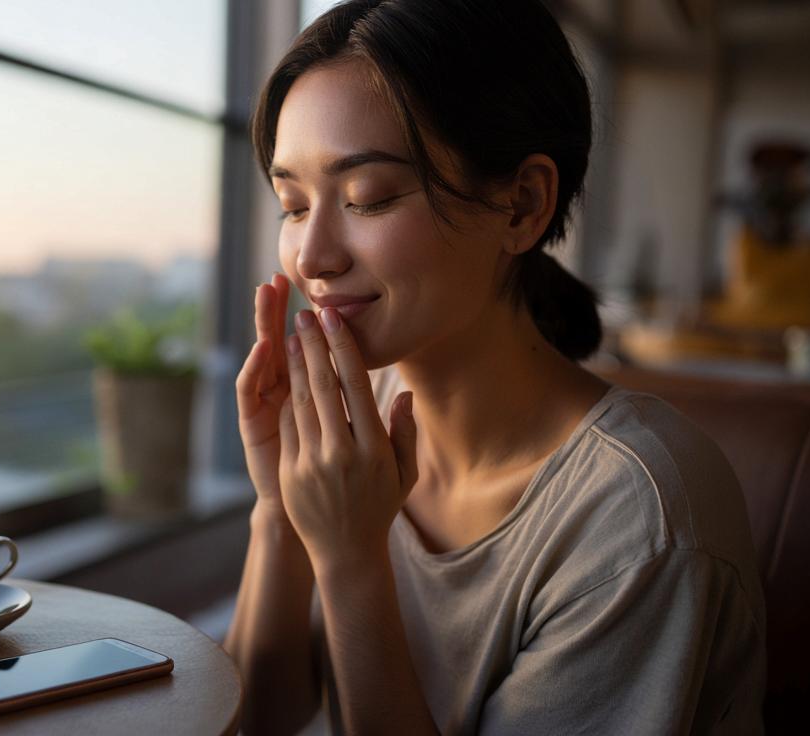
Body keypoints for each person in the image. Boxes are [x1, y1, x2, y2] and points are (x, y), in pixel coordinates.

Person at [220, 1, 767, 734]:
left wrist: (352, 564)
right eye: (292, 205)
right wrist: (280, 509)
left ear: (522, 203)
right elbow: (258, 720)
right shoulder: (347, 433)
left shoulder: (637, 518)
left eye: (367, 198)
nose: (312, 257)